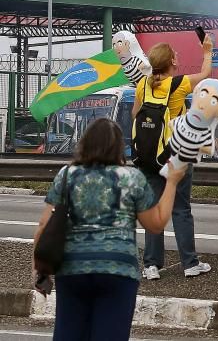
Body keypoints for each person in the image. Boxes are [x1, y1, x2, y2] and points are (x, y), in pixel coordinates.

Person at [33, 119, 186, 341]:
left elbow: (43, 227)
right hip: (118, 272)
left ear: (84, 144)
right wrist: (172, 182)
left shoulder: (67, 175)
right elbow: (156, 224)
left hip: (73, 270)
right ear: (117, 147)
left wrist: (39, 272)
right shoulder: (132, 178)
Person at [131, 37, 214, 280]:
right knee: (180, 209)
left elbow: (136, 114)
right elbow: (206, 73)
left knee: (154, 207)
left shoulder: (142, 85)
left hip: (148, 156)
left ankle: (151, 266)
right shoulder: (179, 84)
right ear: (172, 62)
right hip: (177, 154)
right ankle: (189, 263)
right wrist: (207, 50)